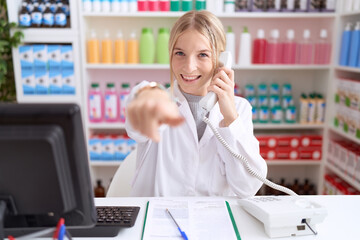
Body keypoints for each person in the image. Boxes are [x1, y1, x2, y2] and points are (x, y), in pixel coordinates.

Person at [125, 10, 267, 197]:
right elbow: (137, 125)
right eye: (180, 53)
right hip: (160, 219)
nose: (189, 66)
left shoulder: (239, 110)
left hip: (214, 221)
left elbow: (247, 187)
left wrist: (230, 118)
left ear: (221, 60)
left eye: (203, 55)